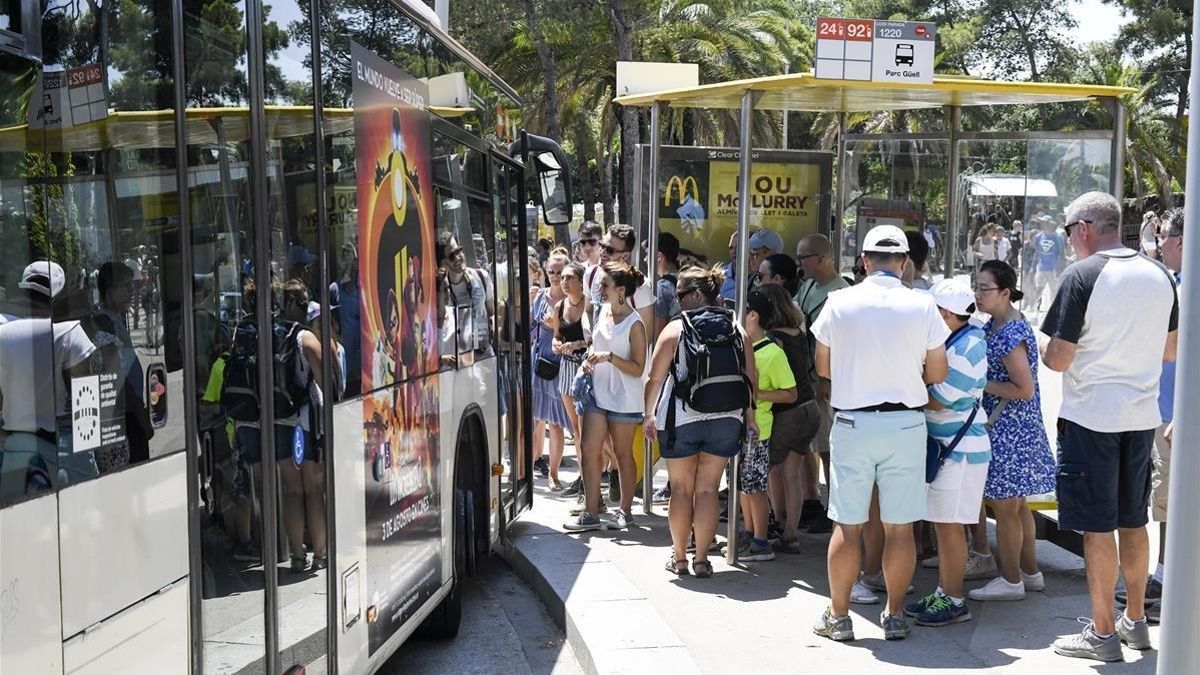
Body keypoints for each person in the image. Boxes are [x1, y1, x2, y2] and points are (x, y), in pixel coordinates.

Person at [1041, 192, 1178, 662]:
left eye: (1067, 232)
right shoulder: (1160, 274)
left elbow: (1057, 359)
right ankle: (1134, 622)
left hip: (1091, 419)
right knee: (1133, 522)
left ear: (1083, 228)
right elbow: (1171, 350)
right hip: (1141, 418)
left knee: (1097, 530)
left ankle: (1102, 634)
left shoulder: (1083, 275)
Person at [809, 225, 949, 643]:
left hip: (853, 422)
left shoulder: (838, 303)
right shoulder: (922, 305)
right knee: (900, 528)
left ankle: (839, 616)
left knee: (847, 526)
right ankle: (895, 613)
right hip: (906, 423)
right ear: (904, 263)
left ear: (865, 261)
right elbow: (938, 371)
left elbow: (823, 368)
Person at [643, 266, 757, 577]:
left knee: (681, 490)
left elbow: (654, 378)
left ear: (696, 294)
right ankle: (703, 559)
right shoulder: (737, 328)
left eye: (681, 294)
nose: (677, 301)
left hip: (683, 417)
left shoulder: (675, 329)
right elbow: (750, 377)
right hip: (726, 418)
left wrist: (649, 414)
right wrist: (750, 416)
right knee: (707, 490)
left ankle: (680, 557)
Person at [964, 260, 1054, 602]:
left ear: (1005, 292)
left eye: (984, 288)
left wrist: (980, 383)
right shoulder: (1002, 324)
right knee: (1017, 507)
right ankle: (1029, 573)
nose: (978, 294)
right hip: (1016, 428)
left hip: (1008, 430)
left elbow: (1024, 388)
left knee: (1005, 508)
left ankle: (1011, 579)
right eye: (976, 287)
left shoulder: (1009, 332)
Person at [904, 278, 990, 627]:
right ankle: (944, 592)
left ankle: (954, 600)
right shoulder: (959, 340)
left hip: (961, 452)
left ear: (944, 314)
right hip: (953, 450)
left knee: (951, 528)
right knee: (944, 527)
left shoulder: (968, 347)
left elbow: (939, 399)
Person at [0, 261, 99, 499]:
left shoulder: (3, 332)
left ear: (24, 290)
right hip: (64, 448)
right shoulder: (69, 332)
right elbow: (85, 404)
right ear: (58, 296)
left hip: (15, 446)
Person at [564, 262, 648, 532]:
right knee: (589, 449)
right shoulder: (602, 313)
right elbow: (596, 348)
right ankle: (591, 511)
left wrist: (609, 358)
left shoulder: (635, 324)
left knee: (622, 454)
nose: (599, 289)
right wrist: (590, 359)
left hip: (624, 398)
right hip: (597, 393)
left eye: (605, 285)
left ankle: (625, 510)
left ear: (621, 290)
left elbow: (638, 368)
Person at [1130, 207, 1183, 622]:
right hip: (1160, 413)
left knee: (1172, 503)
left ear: (1182, 241)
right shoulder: (1174, 283)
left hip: (1177, 419)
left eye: (1162, 236)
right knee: (1164, 504)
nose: (1156, 242)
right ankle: (1163, 578)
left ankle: (1169, 587)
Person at [724, 287, 797, 562]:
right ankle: (749, 532)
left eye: (740, 309)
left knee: (754, 486)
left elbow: (790, 393)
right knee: (741, 484)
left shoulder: (772, 352)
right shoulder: (739, 345)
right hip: (738, 426)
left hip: (758, 429)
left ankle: (761, 541)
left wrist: (755, 394)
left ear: (753, 315)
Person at [753, 283, 819, 553]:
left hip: (788, 412)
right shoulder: (798, 332)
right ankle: (790, 530)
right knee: (791, 473)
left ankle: (779, 523)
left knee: (769, 471)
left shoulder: (772, 338)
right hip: (809, 408)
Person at [794, 233, 849, 533]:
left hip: (826, 381)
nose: (799, 262)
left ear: (821, 258)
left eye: (803, 257)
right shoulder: (807, 287)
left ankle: (833, 505)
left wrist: (826, 378)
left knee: (828, 446)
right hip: (806, 376)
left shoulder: (841, 292)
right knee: (806, 443)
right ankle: (811, 500)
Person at [530, 254, 572, 489]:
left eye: (561, 272)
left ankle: (553, 475)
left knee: (556, 424)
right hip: (539, 362)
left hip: (561, 364)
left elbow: (577, 334)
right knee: (535, 419)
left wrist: (555, 325)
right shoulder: (539, 297)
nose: (556, 277)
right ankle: (531, 465)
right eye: (553, 272)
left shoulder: (572, 299)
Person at [552, 261, 591, 493]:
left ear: (580, 281)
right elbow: (556, 336)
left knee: (588, 426)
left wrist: (578, 343)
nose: (564, 282)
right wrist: (557, 345)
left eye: (570, 278)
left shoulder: (590, 305)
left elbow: (596, 337)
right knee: (575, 427)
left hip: (585, 367)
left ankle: (592, 474)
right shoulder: (559, 307)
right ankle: (581, 477)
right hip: (566, 368)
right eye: (563, 277)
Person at [330, 241, 362, 396]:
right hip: (343, 365)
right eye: (346, 260)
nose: (350, 265)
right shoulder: (334, 289)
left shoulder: (365, 291)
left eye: (353, 260)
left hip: (364, 365)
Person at [1029, 216, 1065, 311]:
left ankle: (1054, 310)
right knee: (1039, 288)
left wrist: (1060, 268)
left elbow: (1061, 254)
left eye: (1044, 222)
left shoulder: (1058, 237)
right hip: (1041, 267)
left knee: (1054, 290)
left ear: (1050, 224)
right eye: (1042, 222)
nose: (1042, 224)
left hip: (1053, 268)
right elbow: (1037, 252)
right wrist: (1033, 267)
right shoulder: (1038, 237)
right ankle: (1036, 307)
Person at [650, 231, 682, 335]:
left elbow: (659, 331)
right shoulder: (684, 279)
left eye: (648, 254)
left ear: (659, 256)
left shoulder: (662, 287)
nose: (645, 259)